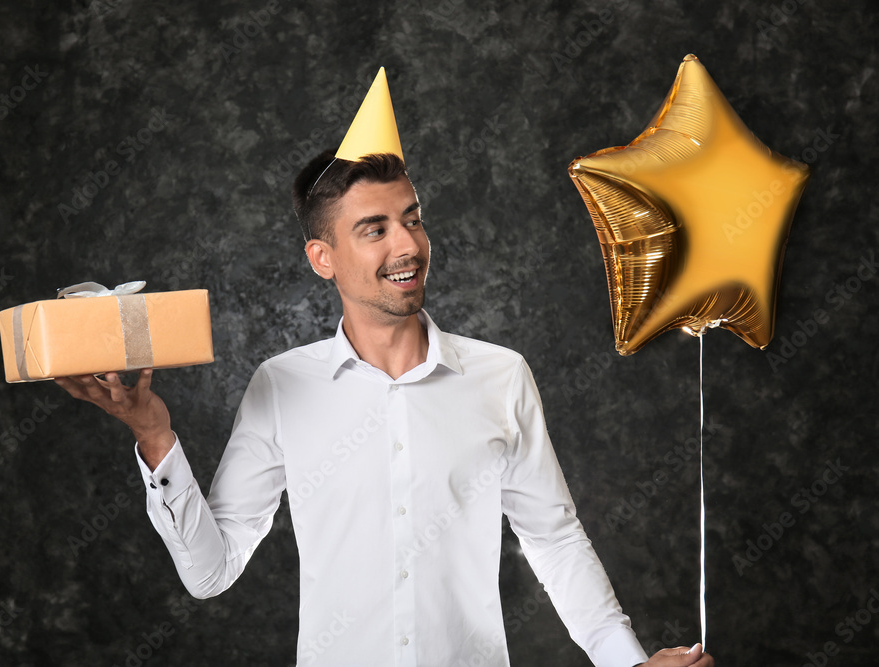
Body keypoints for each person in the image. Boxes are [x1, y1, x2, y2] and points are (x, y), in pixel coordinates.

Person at [55, 69, 714, 667]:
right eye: (375, 229)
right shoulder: (281, 387)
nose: (408, 245)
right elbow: (211, 571)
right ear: (323, 258)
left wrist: (629, 663)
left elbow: (556, 541)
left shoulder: (501, 376)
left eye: (412, 220)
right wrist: (154, 436)